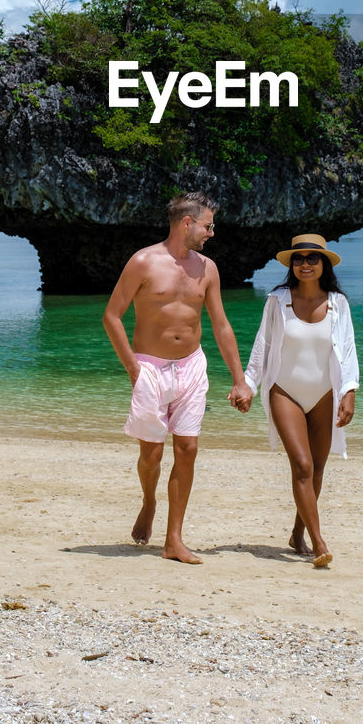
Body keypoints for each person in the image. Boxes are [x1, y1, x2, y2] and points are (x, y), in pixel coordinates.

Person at [103, 191, 252, 564]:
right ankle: (149, 500)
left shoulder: (208, 268)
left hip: (191, 366)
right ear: (187, 223)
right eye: (208, 225)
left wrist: (239, 379)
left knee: (188, 449)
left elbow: (220, 325)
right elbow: (112, 316)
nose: (211, 233)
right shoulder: (143, 262)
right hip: (150, 369)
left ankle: (174, 540)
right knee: (151, 455)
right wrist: (134, 370)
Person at [244, 232, 359, 569]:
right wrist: (248, 385)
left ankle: (297, 533)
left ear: (324, 264)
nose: (305, 264)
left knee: (318, 468)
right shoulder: (278, 301)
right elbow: (262, 346)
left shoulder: (338, 303)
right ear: (291, 264)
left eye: (312, 258)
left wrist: (349, 392)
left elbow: (348, 351)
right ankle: (319, 541)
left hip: (324, 393)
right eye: (298, 258)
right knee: (303, 465)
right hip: (285, 390)